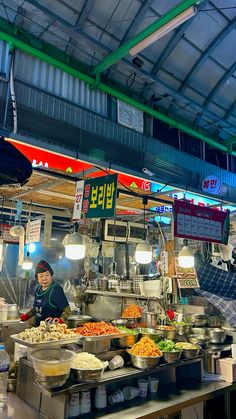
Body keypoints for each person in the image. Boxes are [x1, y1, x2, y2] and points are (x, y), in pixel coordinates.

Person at [21, 260, 71, 326]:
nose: (44, 278)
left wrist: (60, 321)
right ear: (37, 278)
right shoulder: (38, 289)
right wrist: (26, 316)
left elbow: (68, 311)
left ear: (51, 275)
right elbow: (36, 309)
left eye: (47, 275)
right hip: (38, 329)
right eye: (41, 276)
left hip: (53, 331)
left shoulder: (56, 289)